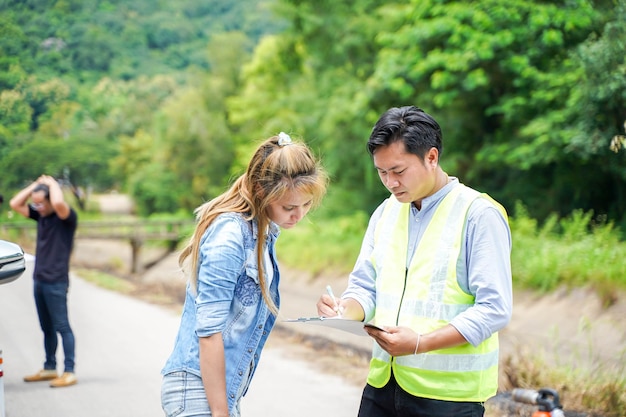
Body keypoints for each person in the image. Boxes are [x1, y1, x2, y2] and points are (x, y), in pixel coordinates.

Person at [317, 106, 512, 417]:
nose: (391, 182)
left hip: (448, 399)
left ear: (431, 157)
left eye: (398, 171)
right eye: (382, 172)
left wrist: (420, 343)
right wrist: (344, 309)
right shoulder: (385, 212)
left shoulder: (478, 215)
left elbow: (495, 308)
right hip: (382, 387)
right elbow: (365, 286)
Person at [161, 132, 328, 417]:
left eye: (306, 205)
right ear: (263, 193)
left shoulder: (261, 234)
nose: (298, 215)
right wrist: (220, 412)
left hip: (219, 394)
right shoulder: (230, 236)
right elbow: (209, 332)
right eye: (289, 207)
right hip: (198, 394)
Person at [9, 174, 78, 388]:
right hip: (39, 279)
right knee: (46, 327)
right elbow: (14, 203)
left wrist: (52, 184)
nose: (36, 206)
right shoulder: (41, 216)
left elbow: (58, 202)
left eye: (41, 202)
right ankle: (49, 368)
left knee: (62, 326)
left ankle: (69, 371)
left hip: (56, 281)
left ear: (50, 199)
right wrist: (35, 186)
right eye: (35, 203)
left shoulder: (65, 217)